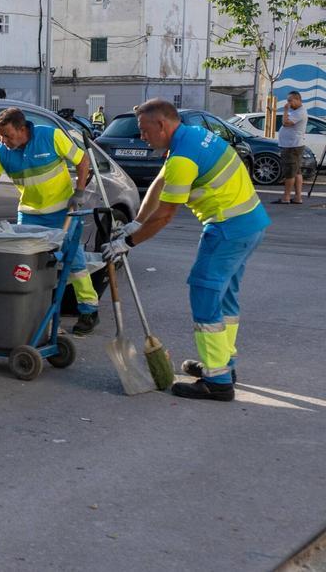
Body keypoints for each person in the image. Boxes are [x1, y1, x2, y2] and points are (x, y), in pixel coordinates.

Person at [102, 99, 269, 402]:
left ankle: (217, 381)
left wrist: (126, 243)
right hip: (249, 224)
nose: (141, 137)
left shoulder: (183, 158)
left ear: (162, 125)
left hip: (227, 229)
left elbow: (166, 215)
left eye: (144, 130)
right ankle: (223, 365)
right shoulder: (189, 137)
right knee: (225, 295)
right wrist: (136, 222)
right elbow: (160, 182)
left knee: (205, 293)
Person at [0, 108, 100, 335]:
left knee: (74, 261)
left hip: (63, 210)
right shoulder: (2, 152)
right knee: (28, 266)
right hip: (30, 213)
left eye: (7, 135)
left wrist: (79, 192)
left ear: (23, 129)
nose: (3, 140)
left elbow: (83, 161)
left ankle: (89, 310)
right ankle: (35, 311)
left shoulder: (50, 137)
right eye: (0, 135)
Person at [277, 91, 307, 204]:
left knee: (290, 173)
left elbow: (285, 123)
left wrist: (285, 110)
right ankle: (298, 197)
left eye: (290, 100)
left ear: (298, 99)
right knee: (297, 172)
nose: (288, 103)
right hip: (293, 145)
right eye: (287, 101)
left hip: (292, 146)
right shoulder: (296, 111)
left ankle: (286, 197)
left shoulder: (300, 112)